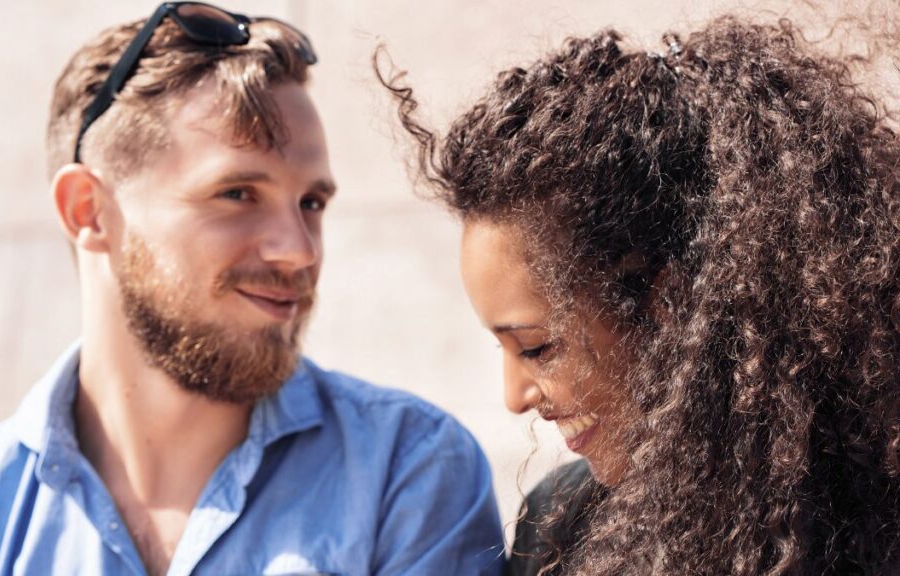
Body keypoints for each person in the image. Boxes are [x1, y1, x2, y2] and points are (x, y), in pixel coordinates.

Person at [0, 4, 506, 575]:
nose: (300, 249)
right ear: (88, 212)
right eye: (237, 193)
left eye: (311, 203)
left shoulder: (409, 473)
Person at [382, 13, 900, 575]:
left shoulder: (876, 524)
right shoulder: (555, 526)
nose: (514, 397)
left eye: (536, 347)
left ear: (669, 302)